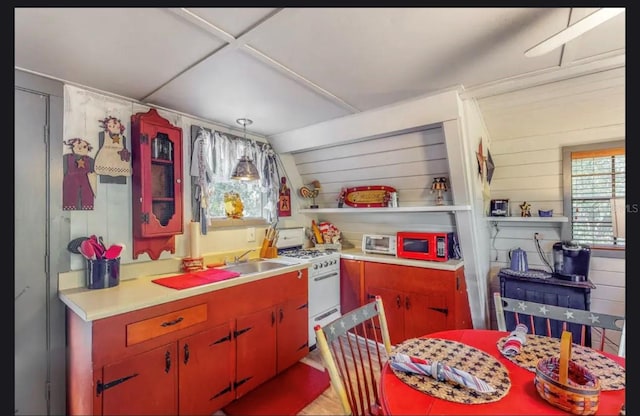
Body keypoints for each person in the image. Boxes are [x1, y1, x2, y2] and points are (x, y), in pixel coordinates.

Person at [63, 138, 96, 210]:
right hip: (70, 182)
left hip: (86, 183)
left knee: (86, 200)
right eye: (78, 147)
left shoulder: (90, 160)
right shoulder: (67, 158)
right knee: (70, 198)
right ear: (73, 147)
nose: (80, 149)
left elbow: (93, 174)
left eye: (84, 147)